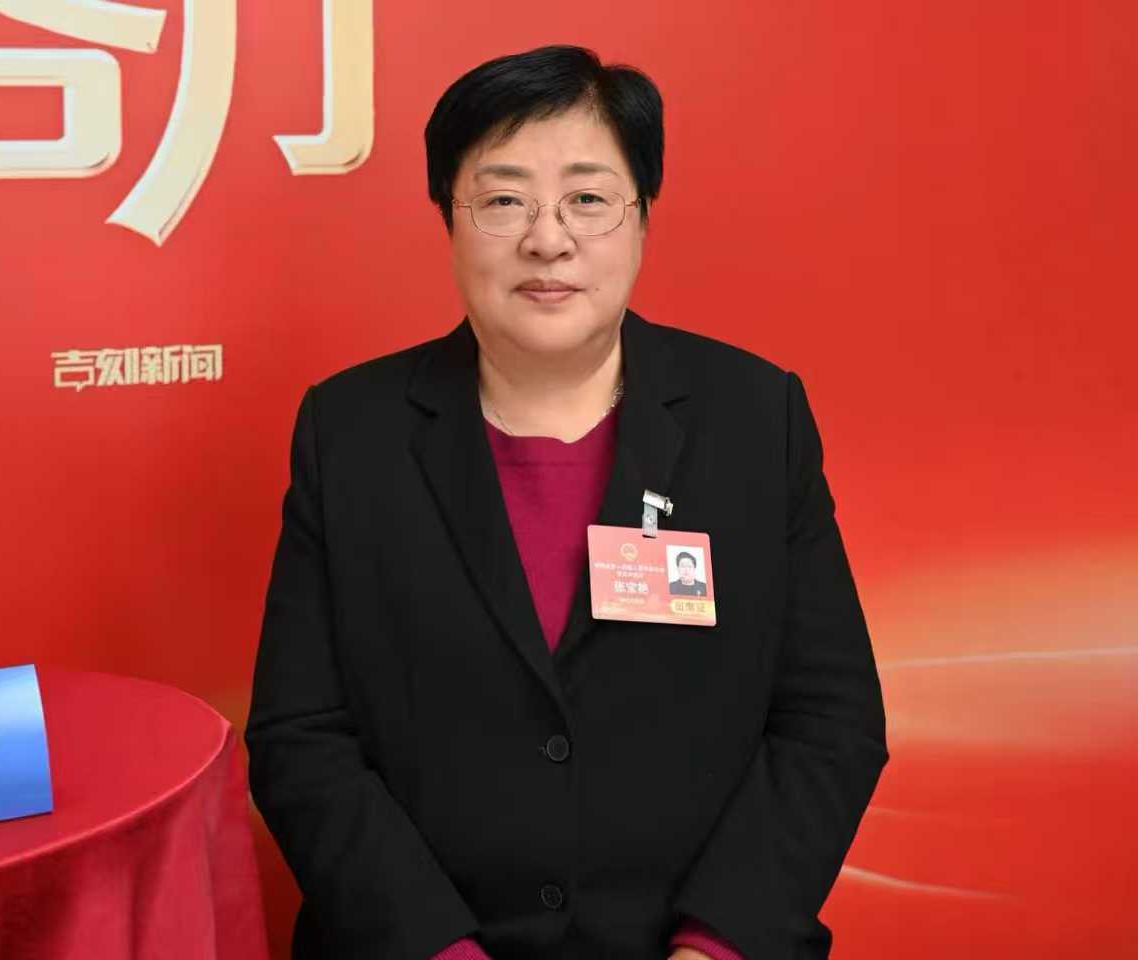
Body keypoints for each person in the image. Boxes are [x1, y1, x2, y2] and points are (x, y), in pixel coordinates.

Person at [246, 45, 887, 960]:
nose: (548, 240)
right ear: (448, 218)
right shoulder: (350, 432)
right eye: (504, 200)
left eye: (588, 198)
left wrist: (715, 945)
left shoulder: (755, 417)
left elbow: (830, 720)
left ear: (642, 217)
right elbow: (301, 737)